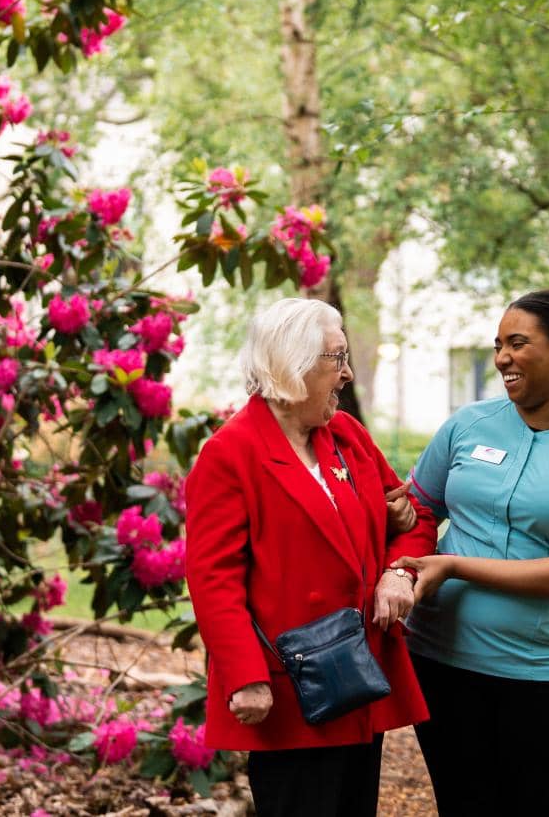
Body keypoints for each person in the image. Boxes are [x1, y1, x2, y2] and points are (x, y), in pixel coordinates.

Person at [394, 289, 549, 817]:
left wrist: (455, 565)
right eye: (498, 345)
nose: (502, 357)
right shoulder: (468, 425)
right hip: (441, 661)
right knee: (462, 806)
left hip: (543, 676)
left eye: (517, 343)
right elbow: (416, 508)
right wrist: (399, 537)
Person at [185, 297, 436, 817]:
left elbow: (414, 521)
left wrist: (397, 573)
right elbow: (213, 580)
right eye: (335, 358)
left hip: (359, 674)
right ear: (291, 365)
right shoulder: (230, 453)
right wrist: (245, 675)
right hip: (290, 685)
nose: (345, 374)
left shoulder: (347, 435)